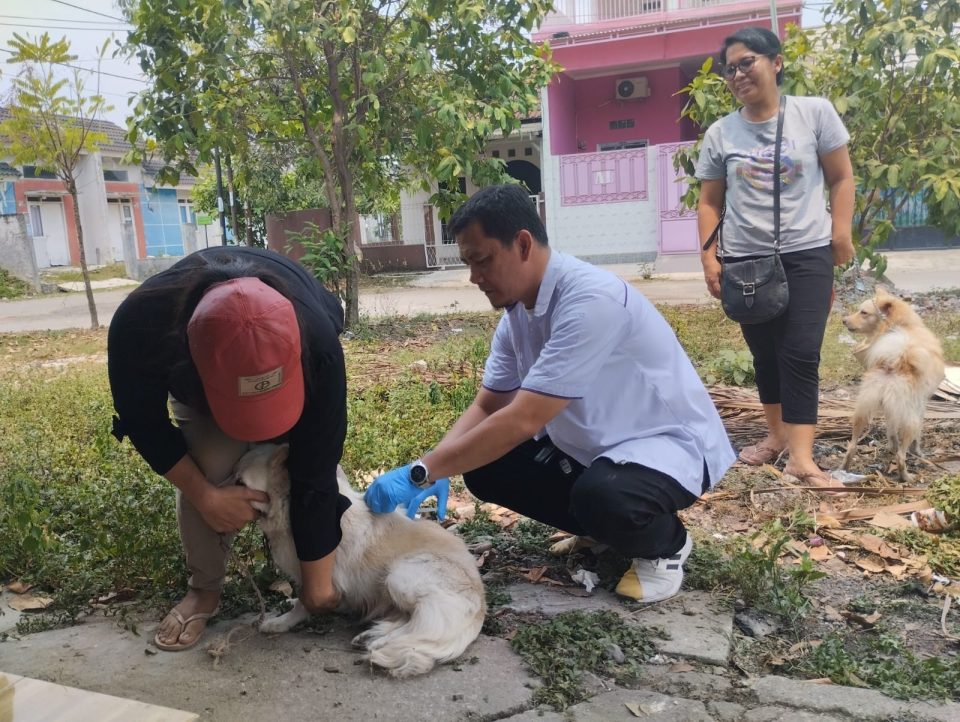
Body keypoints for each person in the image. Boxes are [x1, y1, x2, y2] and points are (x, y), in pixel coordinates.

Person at [364, 184, 736, 603]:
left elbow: (524, 418)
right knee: (486, 467)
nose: (474, 277)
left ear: (522, 243)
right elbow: (490, 405)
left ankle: (666, 545)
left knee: (603, 495)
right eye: (468, 264)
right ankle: (603, 530)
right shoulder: (516, 318)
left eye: (482, 260)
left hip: (666, 446)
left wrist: (422, 471)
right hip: (598, 450)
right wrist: (433, 465)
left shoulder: (590, 300)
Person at [108, 246, 348, 651]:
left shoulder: (318, 341)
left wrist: (317, 585)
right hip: (196, 381)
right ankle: (204, 589)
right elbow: (144, 425)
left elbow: (317, 467)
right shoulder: (141, 328)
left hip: (300, 355)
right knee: (212, 460)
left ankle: (322, 559)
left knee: (300, 468)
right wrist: (205, 496)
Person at [695, 27, 855, 488]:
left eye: (747, 62)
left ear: (776, 62)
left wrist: (840, 233)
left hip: (807, 251)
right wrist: (710, 259)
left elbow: (842, 177)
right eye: (730, 69)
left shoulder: (814, 114)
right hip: (746, 259)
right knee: (764, 354)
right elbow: (710, 202)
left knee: (801, 352)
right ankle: (777, 436)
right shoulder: (721, 132)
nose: (738, 74)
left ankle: (802, 459)